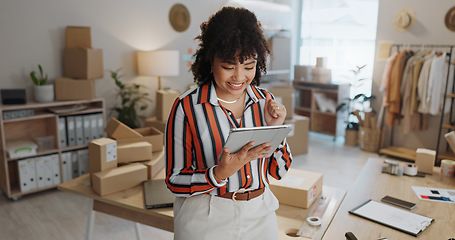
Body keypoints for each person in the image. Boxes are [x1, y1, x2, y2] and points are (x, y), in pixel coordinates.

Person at [165, 6, 292, 240]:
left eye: (249, 66)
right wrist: (219, 173)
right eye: (228, 66)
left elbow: (279, 171)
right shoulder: (186, 107)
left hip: (260, 215)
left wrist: (277, 131)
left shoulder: (266, 101)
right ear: (210, 61)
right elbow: (174, 181)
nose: (239, 77)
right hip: (207, 216)